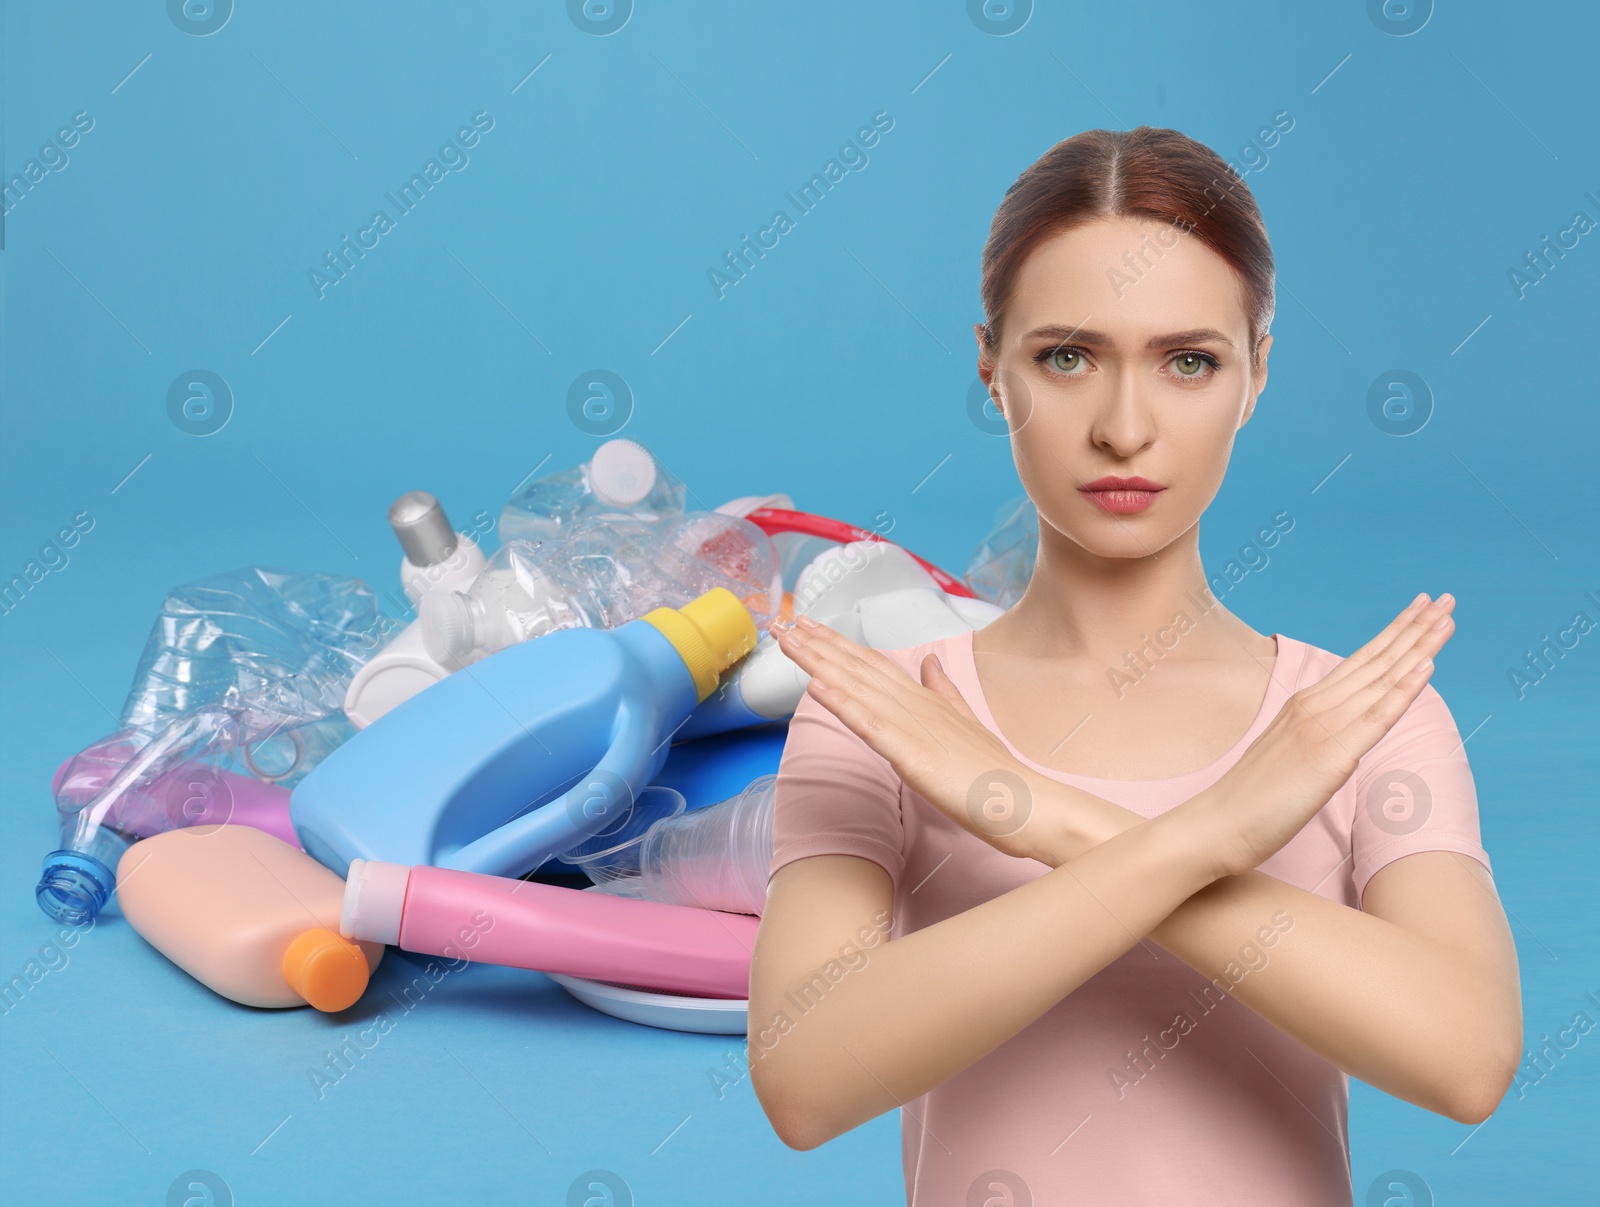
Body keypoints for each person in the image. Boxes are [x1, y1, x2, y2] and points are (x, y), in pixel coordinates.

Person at [747, 126, 1522, 1206]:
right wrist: (1208, 835)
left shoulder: (1357, 719)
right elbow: (804, 1079)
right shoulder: (884, 720)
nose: (1122, 427)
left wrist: (1034, 814)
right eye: (1067, 356)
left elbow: (1466, 1056)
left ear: (1255, 371)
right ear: (991, 366)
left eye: (1187, 360)